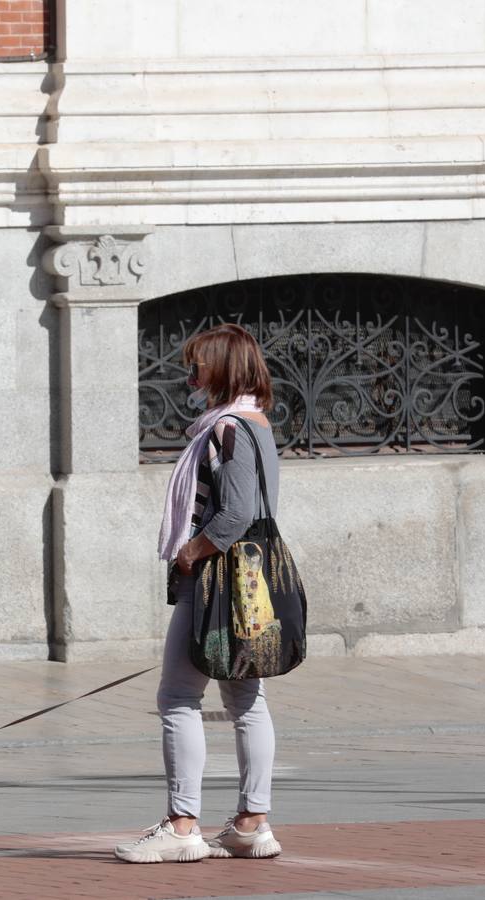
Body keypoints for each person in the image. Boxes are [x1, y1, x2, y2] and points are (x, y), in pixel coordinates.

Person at [115, 322, 283, 864]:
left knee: (179, 698)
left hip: (216, 581)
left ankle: (182, 824)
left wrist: (190, 553)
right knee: (246, 700)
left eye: (199, 364)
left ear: (225, 367)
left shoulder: (227, 429)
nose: (190, 374)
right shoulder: (256, 422)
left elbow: (234, 513)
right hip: (250, 582)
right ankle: (252, 823)